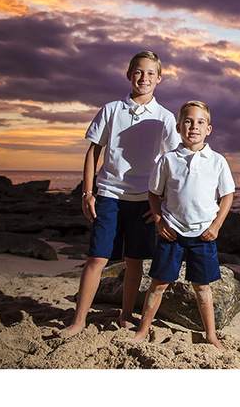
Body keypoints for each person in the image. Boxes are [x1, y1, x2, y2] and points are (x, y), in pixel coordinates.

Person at [61, 51, 179, 338]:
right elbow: (93, 152)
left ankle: (125, 315)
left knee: (135, 260)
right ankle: (78, 321)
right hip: (109, 195)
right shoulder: (111, 109)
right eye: (138, 72)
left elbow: (173, 160)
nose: (144, 78)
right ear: (129, 75)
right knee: (97, 259)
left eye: (151, 73)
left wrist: (162, 204)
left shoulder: (164, 117)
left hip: (143, 200)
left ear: (159, 79)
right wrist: (87, 193)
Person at [133, 100, 235, 349]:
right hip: (172, 232)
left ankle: (210, 335)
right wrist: (159, 221)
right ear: (179, 127)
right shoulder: (167, 160)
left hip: (203, 235)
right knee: (158, 284)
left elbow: (227, 195)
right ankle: (142, 330)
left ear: (208, 129)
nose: (194, 126)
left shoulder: (217, 160)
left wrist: (217, 226)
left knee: (202, 287)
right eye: (188, 121)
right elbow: (154, 194)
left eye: (200, 122)